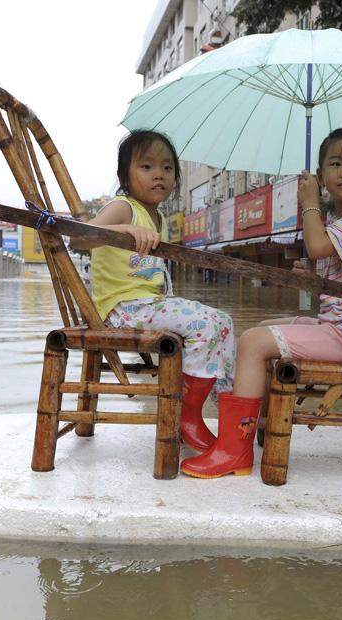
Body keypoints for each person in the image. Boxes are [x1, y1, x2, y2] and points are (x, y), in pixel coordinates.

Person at [180, 127, 342, 479]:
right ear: (322, 174)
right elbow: (332, 271)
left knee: (251, 343)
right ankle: (252, 425)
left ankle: (234, 450)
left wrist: (310, 202)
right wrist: (312, 276)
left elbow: (318, 247)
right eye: (336, 163)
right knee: (261, 329)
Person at [68, 130, 236, 453]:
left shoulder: (156, 217)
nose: (159, 174)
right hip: (121, 310)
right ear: (125, 177)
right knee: (208, 323)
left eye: (167, 168)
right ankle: (187, 415)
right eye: (146, 167)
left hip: (146, 306)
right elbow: (78, 238)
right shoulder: (123, 208)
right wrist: (122, 230)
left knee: (223, 320)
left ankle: (231, 411)